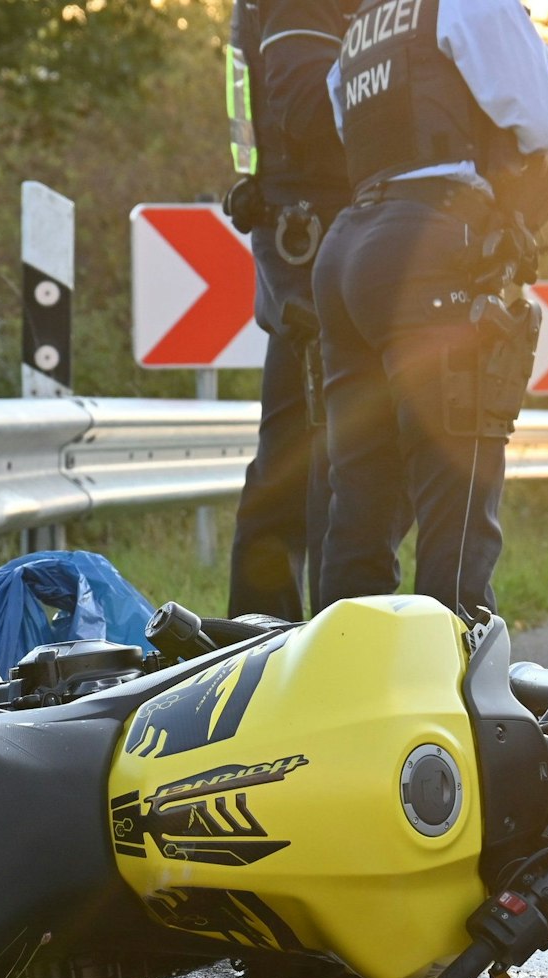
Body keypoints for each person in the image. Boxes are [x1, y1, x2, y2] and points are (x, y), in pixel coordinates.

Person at [312, 0, 548, 619]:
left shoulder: (364, 28)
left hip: (348, 250)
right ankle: (457, 662)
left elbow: (354, 130)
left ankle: (341, 662)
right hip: (430, 243)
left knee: (360, 494)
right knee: (457, 483)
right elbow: (545, 122)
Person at [222, 0, 356, 622]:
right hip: (317, 235)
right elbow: (310, 112)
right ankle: (321, 647)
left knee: (290, 466)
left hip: (300, 232)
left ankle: (259, 643)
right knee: (333, 462)